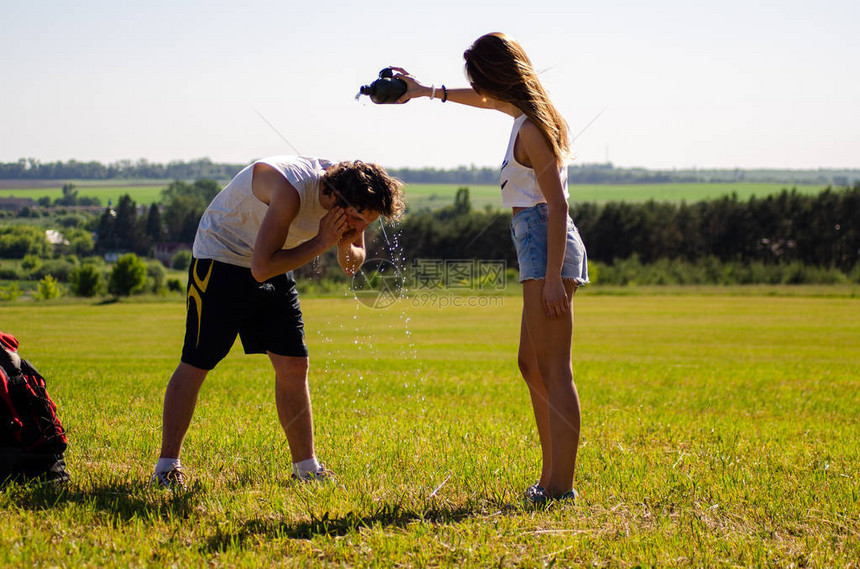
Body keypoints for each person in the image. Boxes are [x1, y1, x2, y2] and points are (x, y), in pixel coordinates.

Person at [392, 33, 588, 504]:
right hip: (537, 241)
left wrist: (553, 279)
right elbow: (483, 102)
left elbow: (558, 205)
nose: (479, 91)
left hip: (546, 241)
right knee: (531, 364)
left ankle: (560, 486)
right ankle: (549, 478)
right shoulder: (524, 116)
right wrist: (426, 92)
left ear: (497, 79)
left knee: (555, 369)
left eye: (480, 81)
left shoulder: (530, 129)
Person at [152, 156, 404, 489]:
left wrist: (345, 238)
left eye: (367, 223)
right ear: (335, 201)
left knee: (294, 365)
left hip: (274, 259)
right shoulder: (292, 191)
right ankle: (166, 467)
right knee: (198, 361)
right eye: (357, 219)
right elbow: (260, 268)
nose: (361, 228)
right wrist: (321, 242)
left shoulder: (353, 202)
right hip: (221, 256)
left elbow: (350, 264)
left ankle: (306, 468)